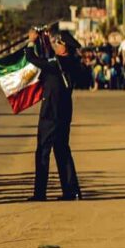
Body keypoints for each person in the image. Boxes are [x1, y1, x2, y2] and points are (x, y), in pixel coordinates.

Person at [25, 29, 82, 201]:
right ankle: (71, 190)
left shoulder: (58, 63)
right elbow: (49, 56)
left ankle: (40, 193)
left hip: (51, 112)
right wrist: (46, 39)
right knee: (62, 149)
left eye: (58, 42)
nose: (55, 45)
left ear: (64, 46)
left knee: (43, 150)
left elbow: (33, 59)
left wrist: (31, 41)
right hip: (64, 111)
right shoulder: (70, 61)